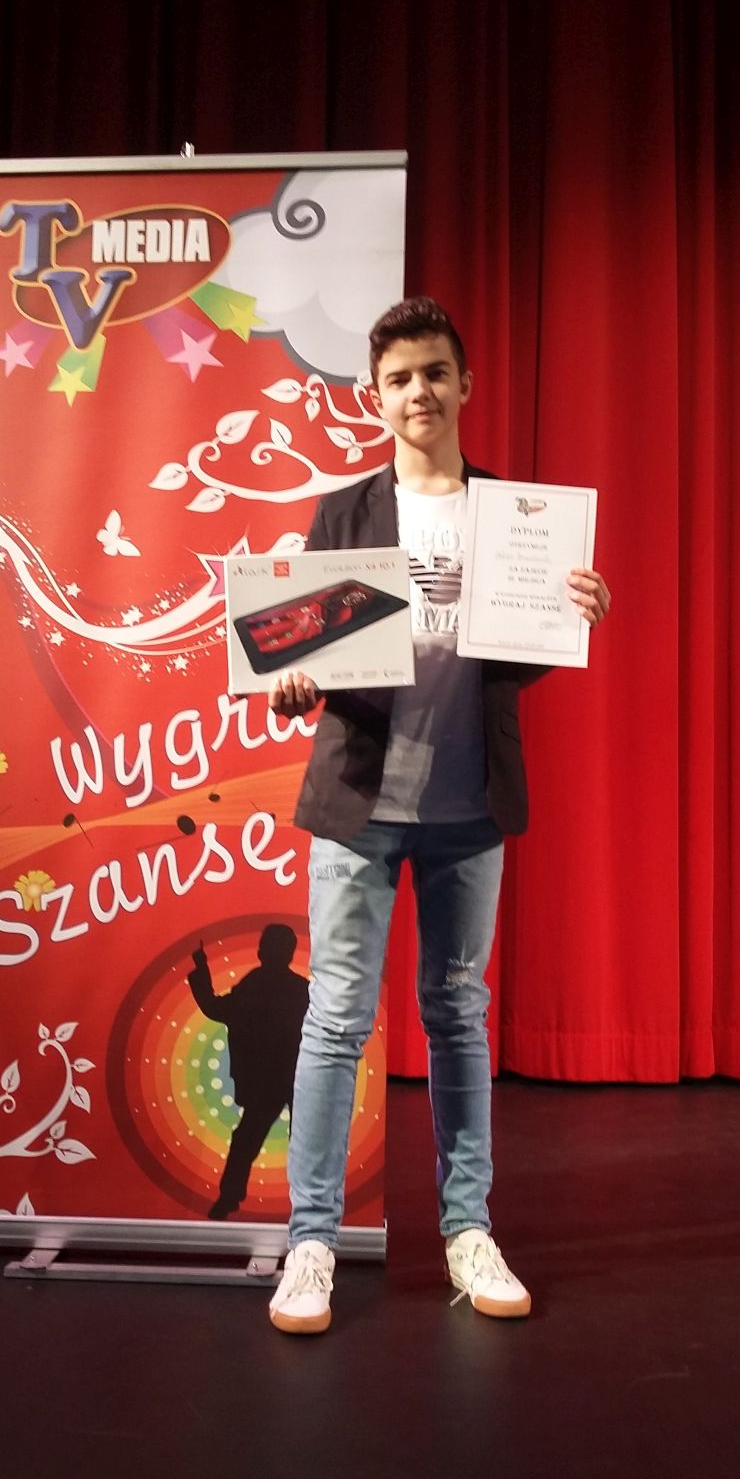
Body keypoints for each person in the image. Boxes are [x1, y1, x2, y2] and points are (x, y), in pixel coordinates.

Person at [266, 296, 611, 1335]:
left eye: (433, 373)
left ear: (464, 384)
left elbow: (512, 661)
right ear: (375, 398)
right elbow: (303, 659)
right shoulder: (343, 514)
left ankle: (468, 1231)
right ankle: (311, 1244)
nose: (418, 391)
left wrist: (570, 620)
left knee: (458, 1016)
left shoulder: (514, 514)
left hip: (468, 806)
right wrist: (291, 683)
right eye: (399, 379)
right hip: (361, 803)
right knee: (337, 1018)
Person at [187, 926, 309, 1219]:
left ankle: (229, 1198)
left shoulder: (255, 985)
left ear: (263, 951)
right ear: (289, 953)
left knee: (247, 1140)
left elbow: (216, 1007)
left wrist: (201, 970)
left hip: (270, 1081)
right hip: (297, 1077)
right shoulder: (300, 989)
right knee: (301, 1142)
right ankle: (309, 1204)